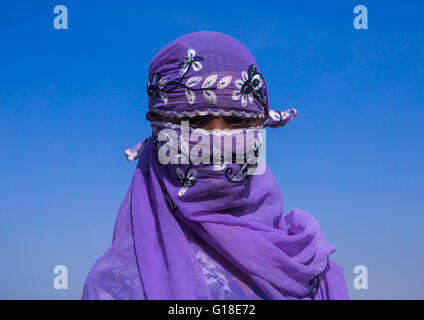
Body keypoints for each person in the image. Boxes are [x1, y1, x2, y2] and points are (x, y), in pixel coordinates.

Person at [82, 30, 349, 300]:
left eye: (237, 121)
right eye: (195, 122)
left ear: (258, 126)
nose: (218, 141)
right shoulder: (116, 285)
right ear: (157, 128)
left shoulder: (310, 267)